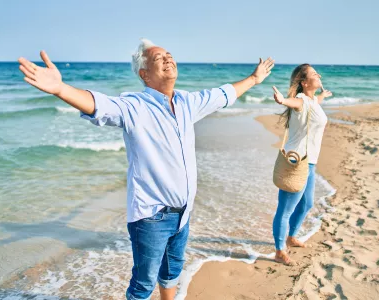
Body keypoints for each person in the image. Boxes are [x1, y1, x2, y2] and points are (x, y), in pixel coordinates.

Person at [18, 39, 274, 300]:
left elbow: (223, 94)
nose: (167, 59)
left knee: (172, 271)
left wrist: (254, 79)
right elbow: (99, 105)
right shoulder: (134, 107)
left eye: (169, 55)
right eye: (158, 58)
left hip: (183, 214)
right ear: (144, 74)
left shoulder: (188, 102)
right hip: (151, 218)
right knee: (143, 285)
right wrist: (60, 89)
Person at [271, 64, 332, 266]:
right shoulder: (301, 101)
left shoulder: (313, 100)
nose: (319, 74)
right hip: (296, 162)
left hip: (310, 163)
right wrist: (282, 100)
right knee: (285, 209)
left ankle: (292, 237)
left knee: (306, 204)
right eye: (315, 74)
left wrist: (324, 95)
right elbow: (293, 102)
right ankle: (280, 251)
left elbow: (316, 100)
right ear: (304, 82)